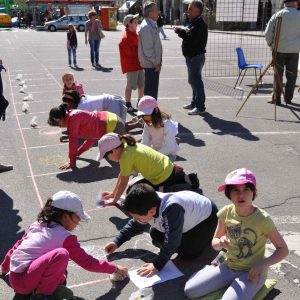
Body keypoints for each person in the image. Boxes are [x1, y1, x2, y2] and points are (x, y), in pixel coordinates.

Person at [0, 191, 128, 300]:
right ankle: (43, 296)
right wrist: (115, 268)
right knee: (61, 255)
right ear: (65, 216)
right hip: (25, 283)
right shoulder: (65, 238)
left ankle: (41, 289)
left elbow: (16, 248)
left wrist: (4, 267)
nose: (78, 222)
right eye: (77, 218)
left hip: (16, 276)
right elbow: (88, 262)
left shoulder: (37, 225)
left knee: (60, 268)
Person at [184, 168, 289, 299]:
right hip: (229, 266)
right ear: (229, 194)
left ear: (253, 192)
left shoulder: (263, 219)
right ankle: (216, 274)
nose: (241, 195)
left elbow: (283, 250)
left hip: (253, 272)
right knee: (190, 290)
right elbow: (215, 243)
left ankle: (251, 286)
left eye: (246, 189)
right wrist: (220, 242)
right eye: (235, 190)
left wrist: (262, 264)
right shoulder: (225, 213)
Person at [104, 183, 218, 276]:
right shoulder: (147, 202)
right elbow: (135, 225)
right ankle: (184, 239)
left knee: (188, 253)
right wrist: (117, 241)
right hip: (187, 216)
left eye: (137, 217)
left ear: (152, 211)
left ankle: (209, 237)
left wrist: (157, 264)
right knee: (156, 235)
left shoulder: (172, 208)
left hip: (207, 220)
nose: (135, 219)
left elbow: (172, 239)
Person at [97, 133, 199, 205]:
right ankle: (179, 176)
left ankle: (174, 187)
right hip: (166, 166)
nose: (107, 158)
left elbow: (123, 181)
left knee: (134, 195)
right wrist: (114, 194)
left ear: (114, 150)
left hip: (161, 177)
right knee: (132, 188)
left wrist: (114, 200)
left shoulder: (126, 157)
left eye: (106, 156)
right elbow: (122, 175)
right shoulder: (128, 145)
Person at [47, 104, 126, 170]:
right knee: (112, 154)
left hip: (114, 125)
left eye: (59, 125)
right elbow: (90, 139)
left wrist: (72, 162)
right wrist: (78, 153)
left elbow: (73, 141)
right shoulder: (71, 116)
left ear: (60, 120)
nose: (60, 128)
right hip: (110, 120)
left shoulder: (73, 118)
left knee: (122, 156)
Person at [174, 0, 208, 115]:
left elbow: (191, 39)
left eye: (190, 9)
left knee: (197, 81)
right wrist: (182, 30)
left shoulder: (200, 24)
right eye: (188, 8)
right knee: (193, 81)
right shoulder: (193, 21)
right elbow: (189, 33)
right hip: (191, 57)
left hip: (196, 57)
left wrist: (179, 32)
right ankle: (194, 103)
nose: (187, 11)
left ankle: (200, 106)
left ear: (197, 11)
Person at [264, 0, 300, 105]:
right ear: (294, 3)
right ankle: (288, 98)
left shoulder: (278, 15)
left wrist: (271, 44)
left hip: (279, 50)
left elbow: (267, 33)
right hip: (294, 51)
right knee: (292, 75)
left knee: (277, 75)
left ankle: (276, 98)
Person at [61, 90, 143, 131]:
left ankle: (138, 124)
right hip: (112, 102)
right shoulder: (82, 98)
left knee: (116, 129)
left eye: (68, 104)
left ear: (73, 101)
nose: (67, 106)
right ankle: (133, 121)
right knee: (114, 125)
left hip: (113, 103)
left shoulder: (81, 107)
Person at [137, 95, 180, 161]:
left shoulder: (168, 124)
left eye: (148, 115)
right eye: (143, 116)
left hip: (168, 155)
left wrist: (153, 156)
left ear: (156, 110)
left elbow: (169, 148)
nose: (146, 119)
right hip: (155, 153)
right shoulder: (147, 125)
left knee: (154, 169)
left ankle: (174, 169)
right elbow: (145, 143)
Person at [119, 14, 144, 113]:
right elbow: (131, 53)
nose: (137, 23)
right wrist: (142, 50)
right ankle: (128, 104)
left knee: (142, 84)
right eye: (134, 21)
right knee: (130, 85)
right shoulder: (126, 38)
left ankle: (140, 103)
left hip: (139, 64)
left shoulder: (134, 33)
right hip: (132, 65)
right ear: (129, 24)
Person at [138, 2, 162, 100]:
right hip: (150, 65)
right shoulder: (147, 27)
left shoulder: (151, 24)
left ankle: (151, 112)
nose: (158, 13)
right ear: (150, 13)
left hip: (152, 64)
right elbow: (148, 50)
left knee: (152, 92)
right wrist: (156, 63)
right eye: (156, 11)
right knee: (150, 93)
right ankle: (149, 114)